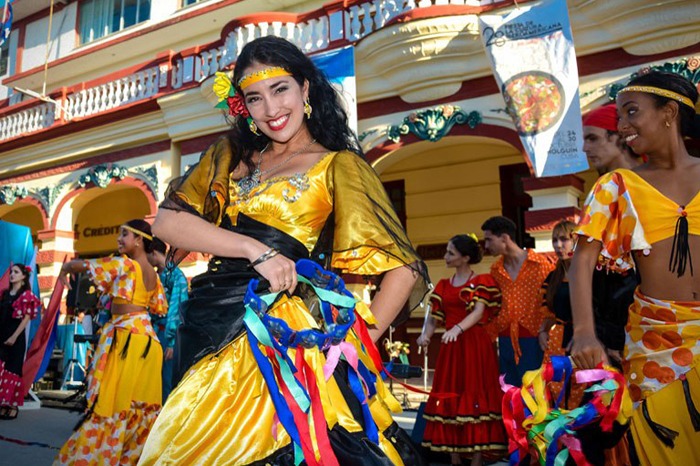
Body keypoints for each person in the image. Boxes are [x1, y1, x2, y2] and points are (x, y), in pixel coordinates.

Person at [139, 36, 429, 466]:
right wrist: (253, 249)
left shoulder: (338, 165)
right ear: (242, 105)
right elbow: (166, 222)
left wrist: (348, 347)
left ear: (305, 88)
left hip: (281, 337)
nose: (271, 109)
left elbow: (405, 269)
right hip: (208, 324)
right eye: (255, 98)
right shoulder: (229, 155)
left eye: (280, 90)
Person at [571, 71, 700, 465]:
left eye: (631, 112)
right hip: (655, 343)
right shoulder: (616, 186)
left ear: (669, 113)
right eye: (619, 118)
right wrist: (584, 332)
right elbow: (582, 261)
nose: (622, 127)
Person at [54, 219, 167, 465]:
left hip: (127, 341)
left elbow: (85, 265)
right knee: (140, 409)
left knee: (111, 404)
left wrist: (65, 268)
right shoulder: (153, 274)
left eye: (124, 234)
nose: (119, 239)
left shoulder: (127, 264)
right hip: (147, 343)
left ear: (139, 240)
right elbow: (157, 308)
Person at [417, 234, 506, 466]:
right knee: (451, 394)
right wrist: (425, 335)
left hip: (475, 346)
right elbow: (434, 318)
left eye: (451, 253)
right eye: (447, 251)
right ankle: (454, 457)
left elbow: (478, 312)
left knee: (475, 393)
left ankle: (477, 458)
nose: (446, 256)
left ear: (465, 258)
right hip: (452, 348)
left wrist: (457, 328)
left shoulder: (482, 281)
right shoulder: (443, 285)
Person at [583, 103, 641, 369]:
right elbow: (590, 268)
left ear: (618, 136)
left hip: (658, 321)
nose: (585, 148)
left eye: (592, 138)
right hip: (612, 330)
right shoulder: (603, 189)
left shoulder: (652, 182)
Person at [481, 216, 554, 387]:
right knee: (509, 391)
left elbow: (551, 301)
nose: (486, 246)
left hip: (534, 338)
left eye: (489, 240)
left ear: (504, 238)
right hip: (505, 338)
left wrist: (545, 329)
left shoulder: (540, 265)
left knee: (535, 391)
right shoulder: (496, 270)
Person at [147, 237, 188, 401]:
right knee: (152, 379)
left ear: (153, 253)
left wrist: (172, 342)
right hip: (153, 331)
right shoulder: (155, 275)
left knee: (167, 381)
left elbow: (178, 308)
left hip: (167, 334)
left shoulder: (176, 276)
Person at [0, 264, 40, 420]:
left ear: (24, 276)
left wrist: (14, 337)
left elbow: (26, 319)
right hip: (2, 334)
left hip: (15, 337)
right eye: (11, 272)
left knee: (13, 369)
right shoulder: (4, 294)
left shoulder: (26, 295)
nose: (12, 274)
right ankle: (3, 404)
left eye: (16, 272)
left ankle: (12, 406)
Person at [583, 103, 643, 176]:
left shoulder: (652, 177)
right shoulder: (603, 183)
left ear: (621, 136)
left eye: (593, 139)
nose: (585, 148)